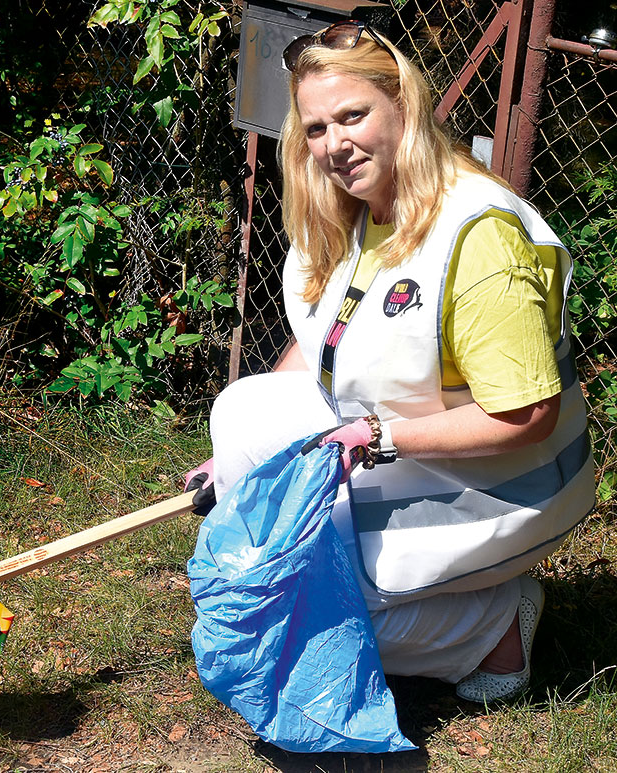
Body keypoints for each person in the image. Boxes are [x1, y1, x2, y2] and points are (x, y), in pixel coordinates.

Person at [185, 20, 594, 703]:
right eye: (316, 128)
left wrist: (379, 436)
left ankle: (494, 624)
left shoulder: (478, 232)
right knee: (245, 443)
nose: (334, 145)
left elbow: (527, 414)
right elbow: (322, 342)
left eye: (353, 116)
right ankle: (408, 593)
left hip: (504, 483)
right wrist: (232, 465)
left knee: (291, 599)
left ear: (402, 105)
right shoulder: (357, 208)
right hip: (409, 453)